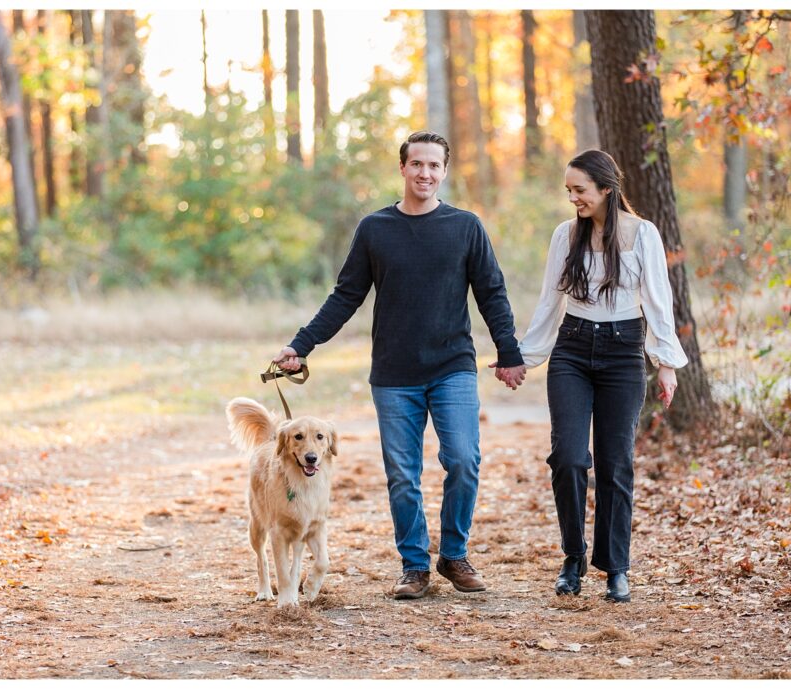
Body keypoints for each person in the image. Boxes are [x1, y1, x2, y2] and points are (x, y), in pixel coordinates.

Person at [273, 131, 528, 600]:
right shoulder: (375, 229)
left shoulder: (465, 227)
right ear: (403, 168)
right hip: (393, 375)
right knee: (402, 475)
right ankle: (414, 566)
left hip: (453, 366)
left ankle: (453, 555)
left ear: (444, 171)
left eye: (434, 166)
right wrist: (302, 344)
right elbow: (346, 295)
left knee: (463, 461)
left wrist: (508, 352)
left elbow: (492, 292)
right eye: (417, 165)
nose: (425, 173)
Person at [518, 149, 687, 603]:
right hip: (571, 350)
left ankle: (616, 567)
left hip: (623, 353)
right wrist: (525, 356)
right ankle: (573, 556)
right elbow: (548, 302)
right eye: (568, 191)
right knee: (569, 458)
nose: (573, 198)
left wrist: (665, 363)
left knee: (615, 464)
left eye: (580, 190)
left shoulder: (642, 234)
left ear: (606, 189)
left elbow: (658, 301)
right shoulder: (565, 235)